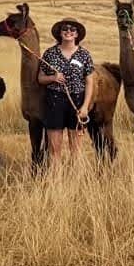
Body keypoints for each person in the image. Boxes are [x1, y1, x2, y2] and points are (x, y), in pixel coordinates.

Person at [38, 18, 96, 166]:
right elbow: (40, 78)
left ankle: (74, 177)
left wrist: (85, 107)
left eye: (72, 29)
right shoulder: (50, 53)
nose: (68, 31)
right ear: (60, 32)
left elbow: (89, 82)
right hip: (54, 100)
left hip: (77, 101)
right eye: (65, 29)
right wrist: (53, 77)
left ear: (77, 34)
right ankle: (56, 178)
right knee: (54, 150)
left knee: (76, 150)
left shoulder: (84, 55)